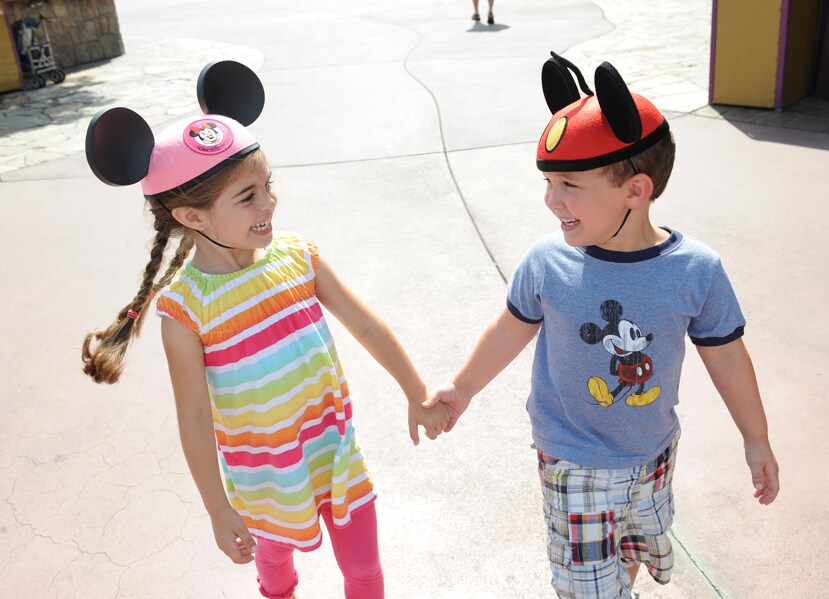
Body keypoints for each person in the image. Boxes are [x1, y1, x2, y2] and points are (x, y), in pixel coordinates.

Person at [81, 60, 448, 599]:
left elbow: (365, 325)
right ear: (192, 217)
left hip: (335, 453)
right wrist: (216, 508)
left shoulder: (298, 257)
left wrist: (416, 392)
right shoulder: (184, 310)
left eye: (267, 186)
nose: (269, 202)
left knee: (365, 572)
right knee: (275, 566)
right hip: (264, 480)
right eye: (247, 196)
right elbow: (193, 413)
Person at [424, 52, 780, 598]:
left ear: (635, 191)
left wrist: (755, 438)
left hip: (654, 451)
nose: (551, 200)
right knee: (586, 585)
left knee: (633, 552)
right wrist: (462, 387)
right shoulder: (548, 262)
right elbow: (509, 329)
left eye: (569, 185)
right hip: (572, 457)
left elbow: (727, 355)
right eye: (548, 183)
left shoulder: (696, 270)